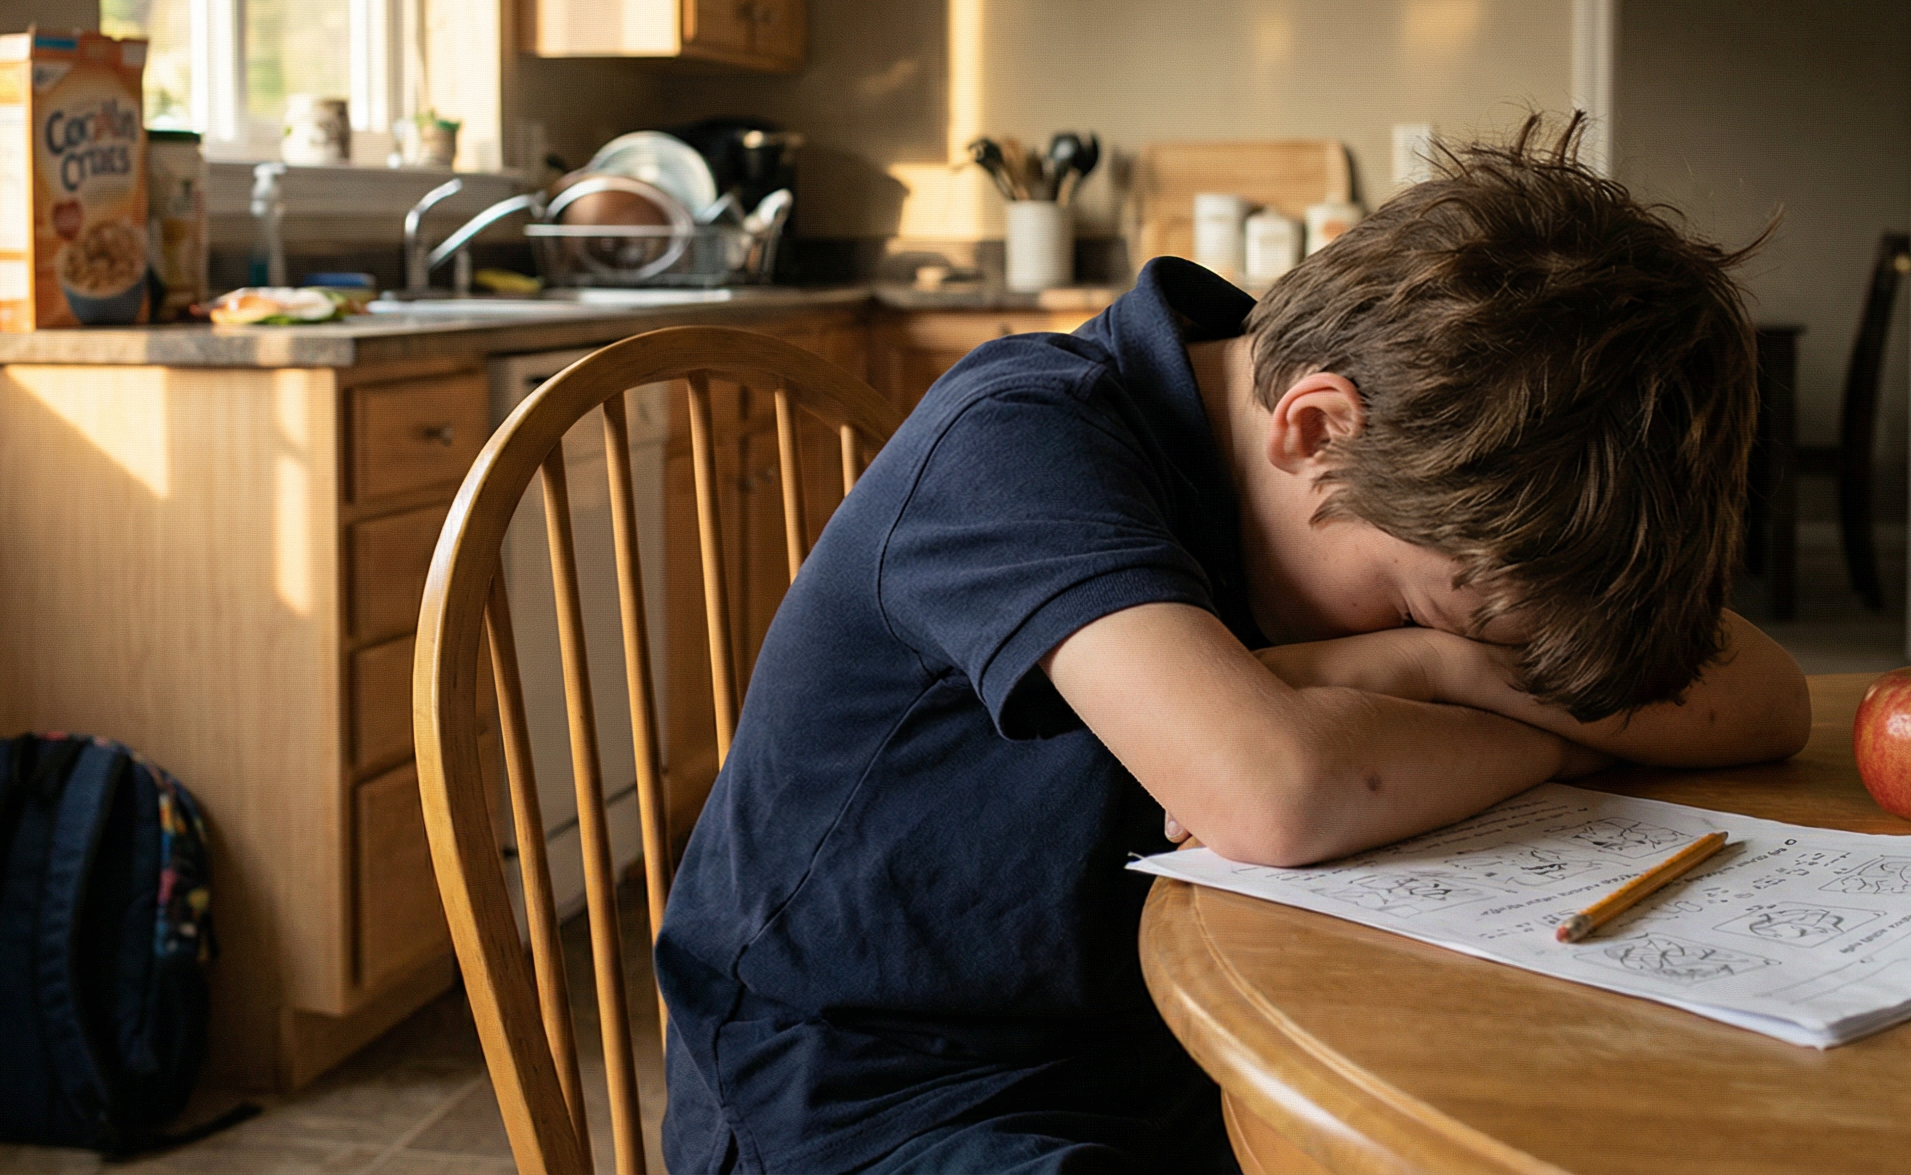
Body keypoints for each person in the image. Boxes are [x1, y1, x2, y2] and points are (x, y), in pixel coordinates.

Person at [654, 114, 1814, 1174]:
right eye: (1418, 612)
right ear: (1313, 432)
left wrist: (1385, 678)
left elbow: (1763, 698)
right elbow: (1278, 793)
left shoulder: (1403, 480)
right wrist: (1465, 688)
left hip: (1172, 1045)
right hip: (880, 1103)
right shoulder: (1012, 445)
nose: (1480, 668)